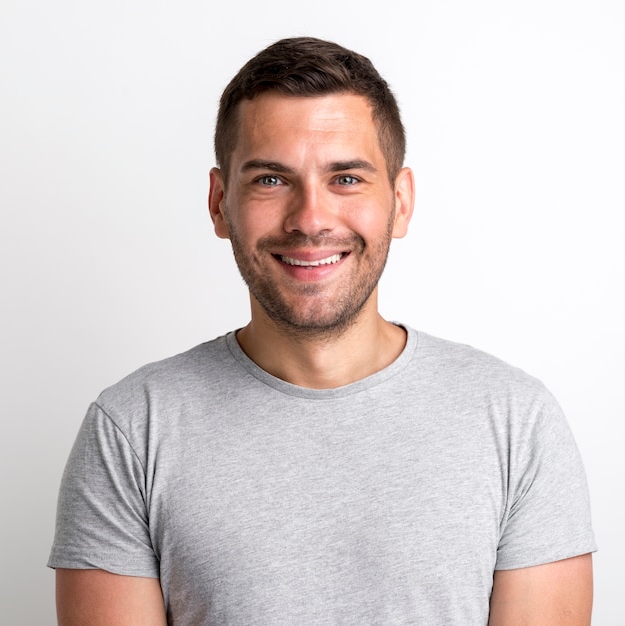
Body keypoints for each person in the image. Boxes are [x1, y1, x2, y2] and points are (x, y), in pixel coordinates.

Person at [48, 37, 596, 625]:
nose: (310, 218)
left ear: (401, 202)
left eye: (347, 179)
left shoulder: (515, 422)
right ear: (218, 202)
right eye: (270, 180)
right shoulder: (132, 430)